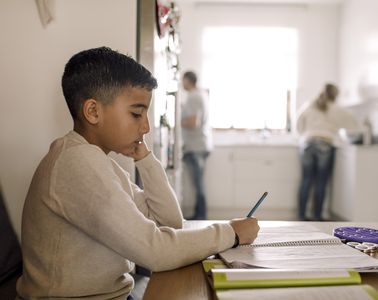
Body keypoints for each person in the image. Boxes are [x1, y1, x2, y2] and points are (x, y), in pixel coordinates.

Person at [16, 47, 259, 299]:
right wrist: (230, 233)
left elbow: (169, 222)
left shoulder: (100, 162)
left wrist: (145, 159)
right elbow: (156, 252)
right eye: (136, 113)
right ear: (93, 112)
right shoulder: (77, 161)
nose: (145, 127)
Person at [296, 83, 360, 221]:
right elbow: (354, 125)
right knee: (321, 182)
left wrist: (305, 134)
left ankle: (302, 215)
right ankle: (318, 216)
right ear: (335, 95)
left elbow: (298, 123)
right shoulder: (337, 109)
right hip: (325, 144)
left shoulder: (309, 105)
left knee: (306, 180)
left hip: (307, 143)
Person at [181, 71, 212, 220]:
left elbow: (193, 122)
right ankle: (200, 214)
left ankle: (200, 216)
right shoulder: (201, 95)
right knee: (199, 183)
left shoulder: (193, 97)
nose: (182, 83)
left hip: (195, 146)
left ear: (188, 80)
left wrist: (176, 121)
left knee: (198, 184)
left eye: (183, 80)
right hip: (201, 144)